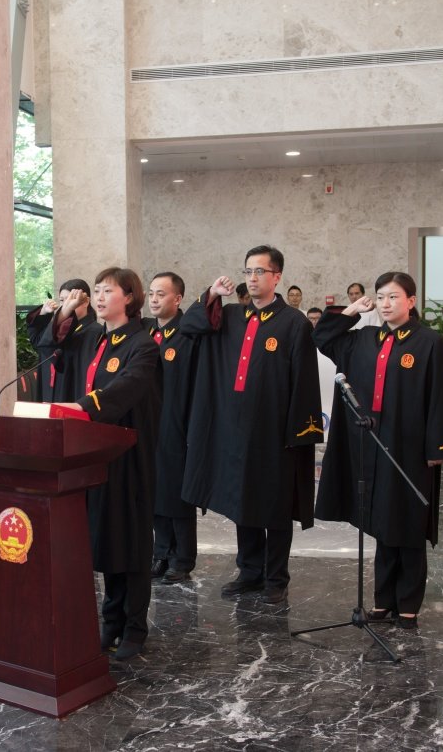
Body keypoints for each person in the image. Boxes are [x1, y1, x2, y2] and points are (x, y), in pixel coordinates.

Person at [313, 272, 443, 629]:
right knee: (381, 523)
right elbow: (322, 337)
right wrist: (351, 311)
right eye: (380, 297)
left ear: (411, 301)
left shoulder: (429, 342)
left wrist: (438, 446)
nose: (385, 303)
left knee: (407, 525)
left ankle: (408, 605)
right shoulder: (363, 338)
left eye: (393, 297)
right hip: (370, 445)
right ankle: (383, 601)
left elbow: (440, 395)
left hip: (410, 447)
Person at [181, 246, 323, 606]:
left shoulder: (293, 323)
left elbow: (304, 380)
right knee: (242, 499)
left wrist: (298, 432)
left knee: (275, 505)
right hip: (234, 429)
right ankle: (249, 571)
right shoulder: (230, 316)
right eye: (248, 271)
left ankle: (276, 578)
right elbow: (190, 325)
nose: (253, 278)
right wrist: (212, 293)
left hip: (275, 431)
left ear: (277, 277)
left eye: (260, 271)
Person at [39, 268, 161, 660]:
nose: (100, 297)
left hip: (130, 457)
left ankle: (135, 627)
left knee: (132, 541)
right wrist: (64, 311)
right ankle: (111, 621)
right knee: (106, 537)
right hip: (95, 454)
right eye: (97, 291)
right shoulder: (94, 338)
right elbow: (51, 346)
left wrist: (82, 406)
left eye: (108, 290)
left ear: (129, 297)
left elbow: (126, 388)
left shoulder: (144, 344)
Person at [145, 272, 199, 585]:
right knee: (155, 491)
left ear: (177, 299)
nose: (154, 299)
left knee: (177, 494)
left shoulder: (187, 335)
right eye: (151, 293)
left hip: (177, 424)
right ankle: (161, 553)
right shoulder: (146, 333)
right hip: (149, 424)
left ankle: (183, 559)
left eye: (161, 294)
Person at [24, 278, 96, 402]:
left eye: (71, 299)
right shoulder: (59, 330)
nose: (66, 305)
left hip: (71, 393)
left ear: (85, 302)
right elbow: (39, 342)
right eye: (62, 300)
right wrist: (43, 313)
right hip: (49, 391)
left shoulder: (94, 332)